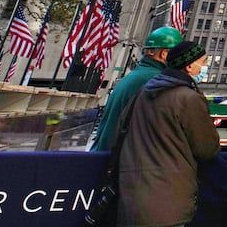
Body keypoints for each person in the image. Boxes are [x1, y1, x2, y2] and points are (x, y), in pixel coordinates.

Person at [116, 40, 220, 227]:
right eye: (203, 62)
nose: (205, 67)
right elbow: (207, 149)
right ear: (189, 66)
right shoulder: (188, 98)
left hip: (131, 196)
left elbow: (121, 131)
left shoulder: (142, 93)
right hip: (168, 202)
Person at [91, 26, 182, 151]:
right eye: (178, 56)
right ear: (164, 54)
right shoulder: (156, 81)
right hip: (118, 157)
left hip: (106, 151)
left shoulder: (137, 75)